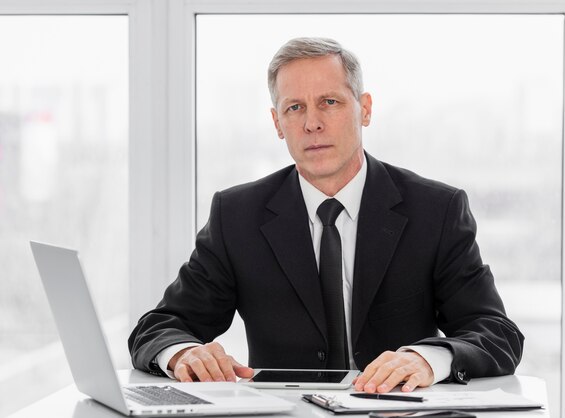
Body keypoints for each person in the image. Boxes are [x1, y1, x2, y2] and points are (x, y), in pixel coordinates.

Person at [128, 37, 523, 394]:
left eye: (329, 102)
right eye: (294, 107)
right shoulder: (237, 216)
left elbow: (496, 333)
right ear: (277, 124)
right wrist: (182, 354)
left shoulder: (435, 211)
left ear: (364, 110)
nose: (312, 122)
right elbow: (159, 328)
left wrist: (427, 360)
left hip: (398, 409)